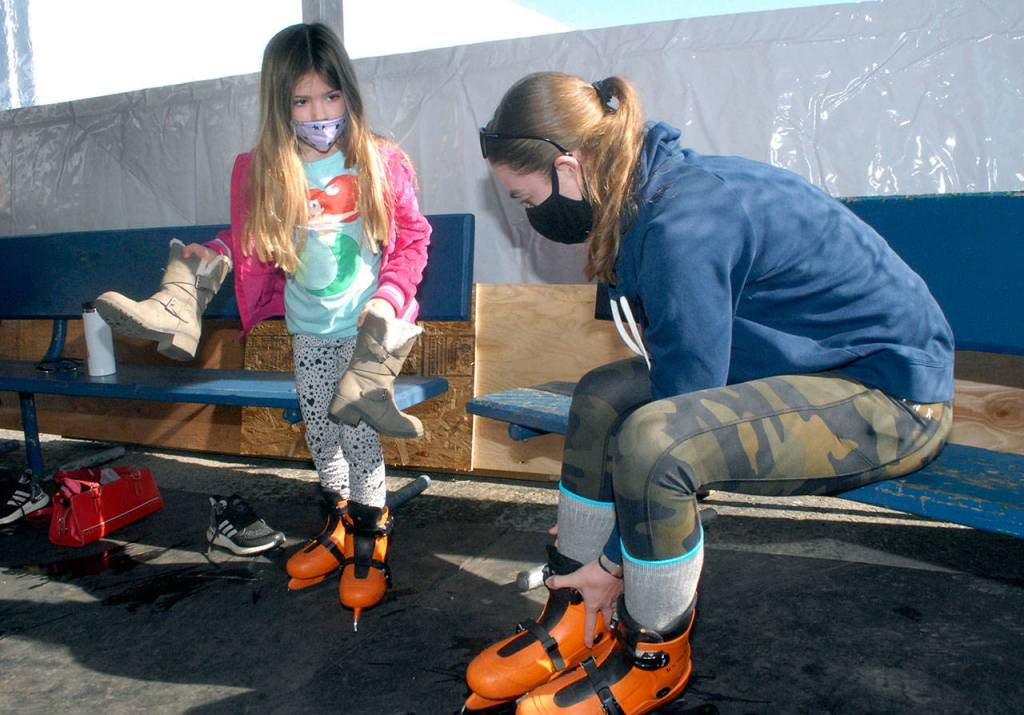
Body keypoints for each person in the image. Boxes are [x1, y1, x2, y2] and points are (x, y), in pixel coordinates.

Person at [464, 72, 953, 714]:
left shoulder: (682, 225)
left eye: (525, 198)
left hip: (886, 399)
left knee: (654, 441)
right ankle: (575, 608)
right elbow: (674, 360)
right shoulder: (640, 198)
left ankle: (651, 651)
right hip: (802, 370)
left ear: (568, 168)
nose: (530, 215)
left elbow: (679, 415)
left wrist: (616, 556)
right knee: (603, 395)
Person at [97, 23, 432, 624]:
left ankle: (369, 540)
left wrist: (390, 296)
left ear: (348, 94)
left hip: (366, 329)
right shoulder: (263, 169)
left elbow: (412, 237)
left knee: (357, 432)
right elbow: (247, 241)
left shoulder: (379, 161)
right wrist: (212, 256)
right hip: (308, 328)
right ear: (280, 105)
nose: (318, 112)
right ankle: (335, 527)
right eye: (301, 100)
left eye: (331, 96)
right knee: (321, 432)